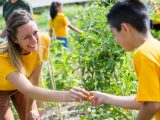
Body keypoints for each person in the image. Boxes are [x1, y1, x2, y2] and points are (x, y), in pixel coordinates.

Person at [0, 9, 89, 120]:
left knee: (32, 117)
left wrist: (30, 110)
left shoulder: (43, 40)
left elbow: (34, 79)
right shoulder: (3, 58)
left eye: (35, 32)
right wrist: (67, 95)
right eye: (26, 37)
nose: (34, 41)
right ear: (15, 40)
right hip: (1, 90)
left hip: (23, 85)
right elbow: (28, 89)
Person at [89, 0, 160, 120]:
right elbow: (147, 100)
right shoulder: (155, 47)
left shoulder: (144, 54)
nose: (116, 40)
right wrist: (104, 97)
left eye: (114, 34)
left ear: (125, 28)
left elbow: (152, 105)